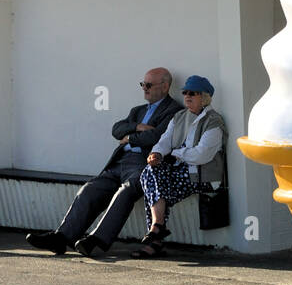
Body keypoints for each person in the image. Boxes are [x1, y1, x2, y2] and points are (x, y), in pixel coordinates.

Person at [26, 69, 181, 258]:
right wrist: (136, 127)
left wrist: (129, 138)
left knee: (125, 192)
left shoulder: (173, 110)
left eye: (149, 85)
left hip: (144, 165)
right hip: (119, 162)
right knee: (89, 190)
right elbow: (116, 129)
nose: (144, 89)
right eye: (143, 84)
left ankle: (95, 240)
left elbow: (156, 137)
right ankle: (61, 238)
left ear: (165, 86)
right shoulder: (138, 111)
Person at [132, 75, 227, 258]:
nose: (187, 97)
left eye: (194, 93)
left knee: (153, 185)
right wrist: (157, 153)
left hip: (201, 176)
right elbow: (165, 140)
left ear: (205, 97)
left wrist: (174, 153)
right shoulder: (179, 116)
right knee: (151, 173)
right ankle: (157, 227)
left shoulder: (213, 121)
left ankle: (155, 237)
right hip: (180, 172)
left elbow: (201, 155)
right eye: (185, 93)